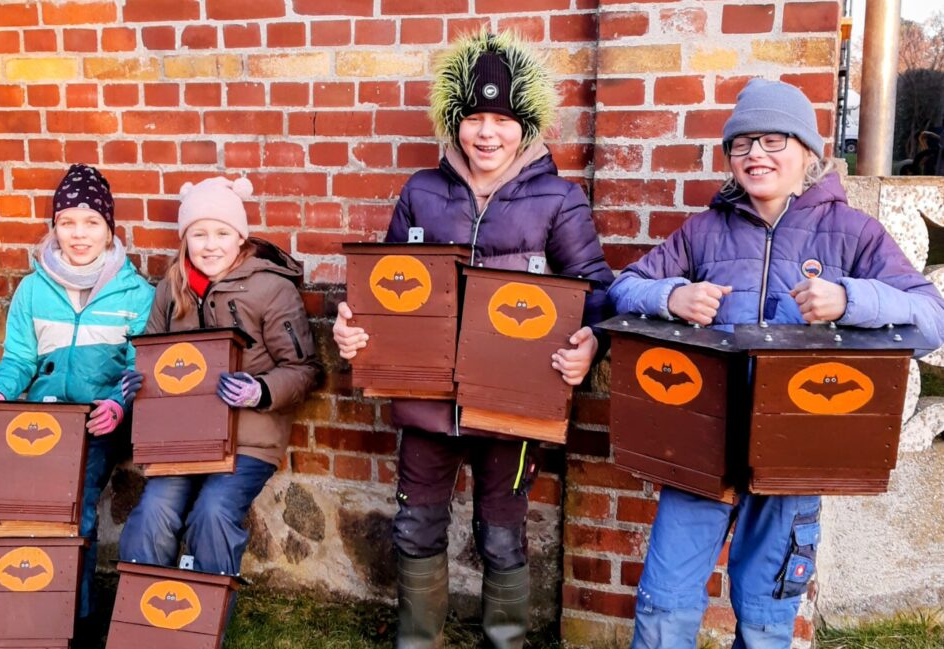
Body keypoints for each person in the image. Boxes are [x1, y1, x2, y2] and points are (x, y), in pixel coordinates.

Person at [608, 78, 944, 649]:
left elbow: (931, 319)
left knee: (766, 615)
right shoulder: (705, 231)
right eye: (742, 144)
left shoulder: (853, 233)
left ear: (807, 150)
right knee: (664, 600)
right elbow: (623, 288)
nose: (755, 155)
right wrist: (671, 298)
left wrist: (851, 299)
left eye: (772, 140)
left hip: (794, 454)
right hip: (702, 447)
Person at [333, 29, 614, 648]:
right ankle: (418, 640)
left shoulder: (559, 201)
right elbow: (384, 285)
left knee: (502, 535)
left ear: (526, 126)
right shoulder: (420, 192)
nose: (487, 133)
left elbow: (596, 289)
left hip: (513, 404)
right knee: (417, 526)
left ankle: (504, 641)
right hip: (426, 400)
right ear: (455, 122)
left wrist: (591, 340)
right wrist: (354, 327)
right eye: (475, 118)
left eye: (503, 120)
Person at [117, 176, 321, 637]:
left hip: (249, 439)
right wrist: (139, 381)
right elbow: (151, 352)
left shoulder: (270, 289)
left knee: (212, 512)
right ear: (185, 238)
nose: (210, 246)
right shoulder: (172, 288)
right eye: (199, 233)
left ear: (241, 236)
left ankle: (200, 631)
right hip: (183, 439)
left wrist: (260, 390)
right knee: (153, 513)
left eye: (222, 233)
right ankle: (146, 631)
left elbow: (306, 369)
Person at [0, 163, 155, 632]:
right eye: (67, 222)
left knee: (73, 499)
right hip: (44, 420)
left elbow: (139, 369)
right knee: (17, 503)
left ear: (110, 229)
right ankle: (24, 608)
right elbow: (18, 361)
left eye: (91, 222)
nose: (79, 234)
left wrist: (117, 405)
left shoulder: (137, 293)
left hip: (100, 421)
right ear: (54, 228)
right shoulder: (33, 290)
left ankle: (75, 618)